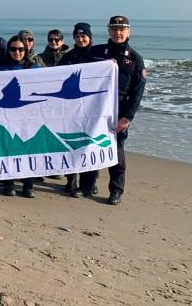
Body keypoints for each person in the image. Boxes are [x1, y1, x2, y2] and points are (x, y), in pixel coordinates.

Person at [88, 16, 146, 205]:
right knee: (91, 145)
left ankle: (116, 191)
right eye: (114, 29)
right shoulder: (95, 52)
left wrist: (127, 118)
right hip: (95, 107)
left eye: (122, 29)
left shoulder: (135, 58)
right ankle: (88, 185)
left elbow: (138, 91)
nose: (118, 33)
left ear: (128, 32)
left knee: (116, 148)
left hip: (119, 108)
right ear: (108, 31)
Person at [59, 22, 98, 197]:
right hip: (71, 110)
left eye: (84, 36)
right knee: (72, 144)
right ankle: (71, 181)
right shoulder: (68, 57)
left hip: (92, 108)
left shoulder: (99, 56)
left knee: (90, 144)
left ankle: (90, 183)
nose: (81, 39)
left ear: (90, 37)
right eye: (77, 36)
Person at [0, 35, 38, 198]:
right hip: (7, 117)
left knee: (28, 148)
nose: (17, 52)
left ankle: (28, 184)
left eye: (21, 49)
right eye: (13, 49)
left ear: (26, 50)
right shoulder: (1, 70)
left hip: (28, 117)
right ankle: (9, 182)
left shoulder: (33, 69)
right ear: (8, 51)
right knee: (10, 147)